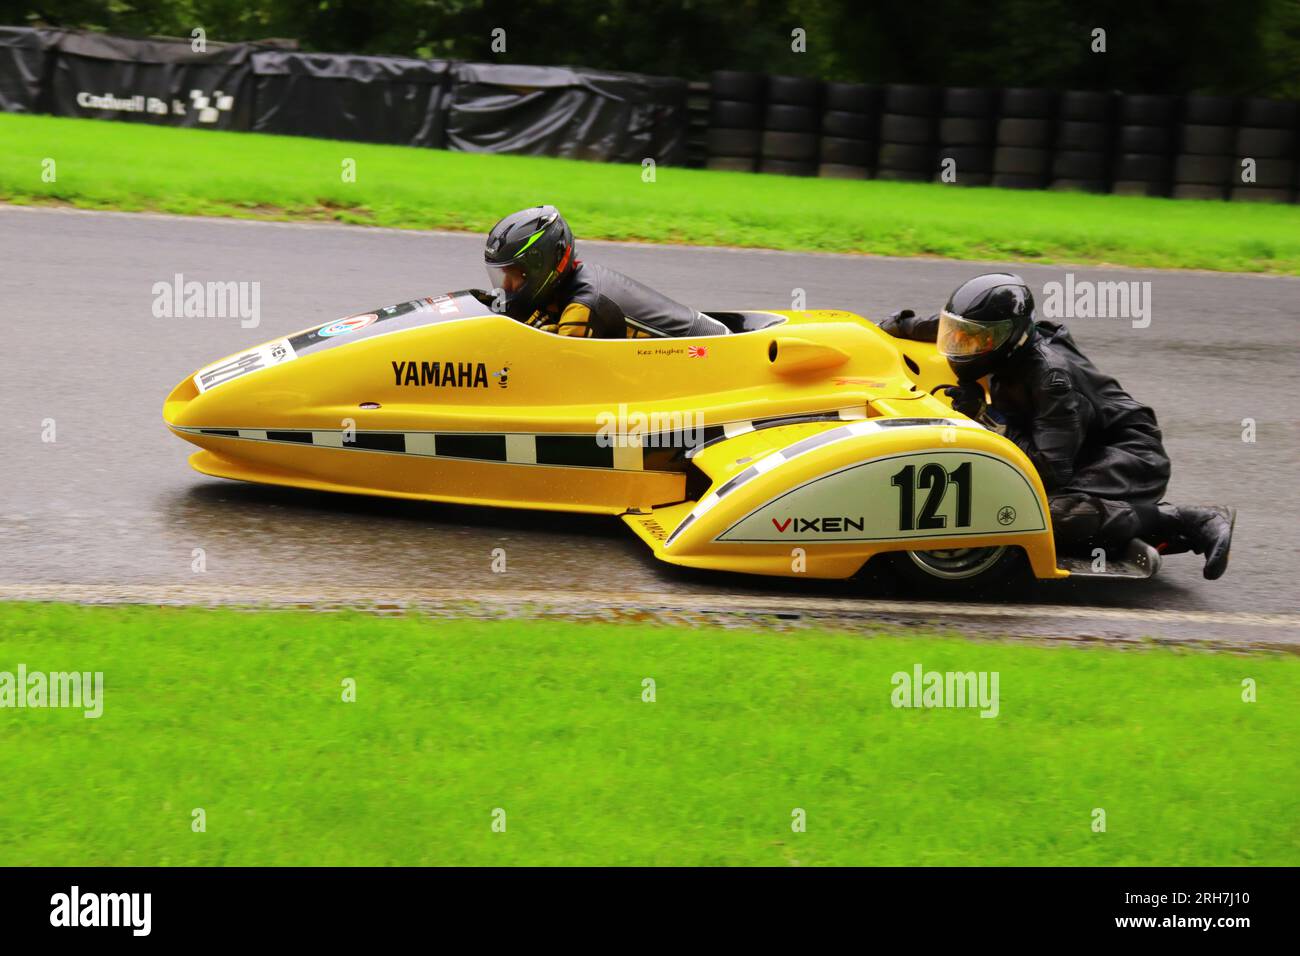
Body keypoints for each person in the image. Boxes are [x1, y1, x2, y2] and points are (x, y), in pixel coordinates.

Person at [881, 272, 1235, 579]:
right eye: (961, 336)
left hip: (1126, 456)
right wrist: (901, 326)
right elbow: (956, 326)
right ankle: (1126, 522)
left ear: (1012, 337)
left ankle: (1185, 520)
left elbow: (1050, 470)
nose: (961, 346)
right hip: (1076, 444)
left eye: (976, 340)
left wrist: (990, 420)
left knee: (1038, 511)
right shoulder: (1004, 337)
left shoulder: (1052, 380)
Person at [483, 205, 728, 338]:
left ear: (544, 264)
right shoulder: (568, 283)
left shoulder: (584, 303)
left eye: (514, 276)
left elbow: (555, 358)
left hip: (711, 355)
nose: (506, 287)